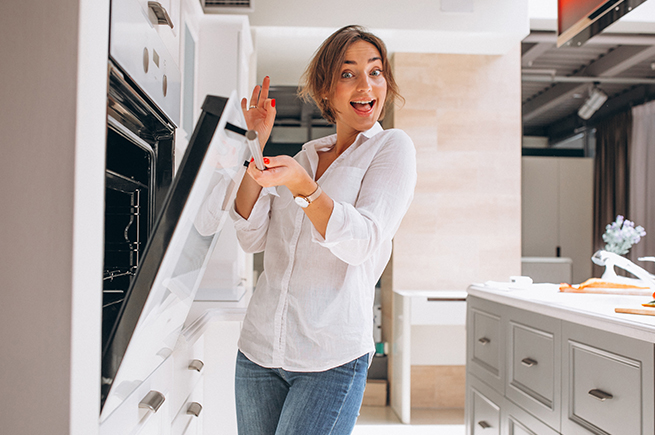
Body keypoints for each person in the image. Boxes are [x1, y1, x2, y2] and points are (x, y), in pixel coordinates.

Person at [229, 24, 417, 434]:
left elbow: (363, 241)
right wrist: (254, 145)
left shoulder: (392, 148)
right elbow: (251, 235)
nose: (366, 84)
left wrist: (303, 187)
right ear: (325, 91)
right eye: (348, 73)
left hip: (330, 359)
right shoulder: (306, 156)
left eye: (376, 71)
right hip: (259, 350)